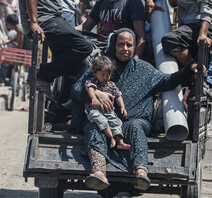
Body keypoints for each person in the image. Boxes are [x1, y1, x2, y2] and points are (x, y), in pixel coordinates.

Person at [71, 28, 202, 191]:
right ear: (114, 45)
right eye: (121, 44)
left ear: (134, 47)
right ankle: (98, 172)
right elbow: (76, 90)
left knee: (135, 126)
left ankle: (141, 172)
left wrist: (189, 70)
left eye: (129, 45)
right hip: (104, 123)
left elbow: (168, 81)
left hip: (134, 122)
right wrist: (95, 93)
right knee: (92, 127)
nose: (125, 48)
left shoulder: (144, 70)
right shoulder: (101, 66)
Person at [18, 0, 93, 101]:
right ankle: (43, 74)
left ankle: (60, 112)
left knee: (77, 65)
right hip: (45, 19)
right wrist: (34, 22)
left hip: (53, 17)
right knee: (84, 46)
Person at [145, 0, 212, 67]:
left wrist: (203, 34)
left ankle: (193, 71)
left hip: (211, 24)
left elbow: (207, 2)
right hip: (193, 24)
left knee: (171, 40)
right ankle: (194, 73)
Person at [76, 0, 146, 59]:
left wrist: (135, 62)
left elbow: (141, 37)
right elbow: (85, 26)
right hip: (100, 54)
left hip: (120, 55)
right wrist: (65, 29)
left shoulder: (133, 1)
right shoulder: (102, 0)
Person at [85, 55, 131, 150]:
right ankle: (111, 138)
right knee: (102, 120)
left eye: (108, 75)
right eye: (103, 75)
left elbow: (118, 95)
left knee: (116, 122)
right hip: (94, 109)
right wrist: (93, 98)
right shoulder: (92, 81)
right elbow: (90, 88)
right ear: (94, 73)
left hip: (108, 110)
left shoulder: (111, 84)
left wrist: (122, 107)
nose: (106, 77)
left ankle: (121, 142)